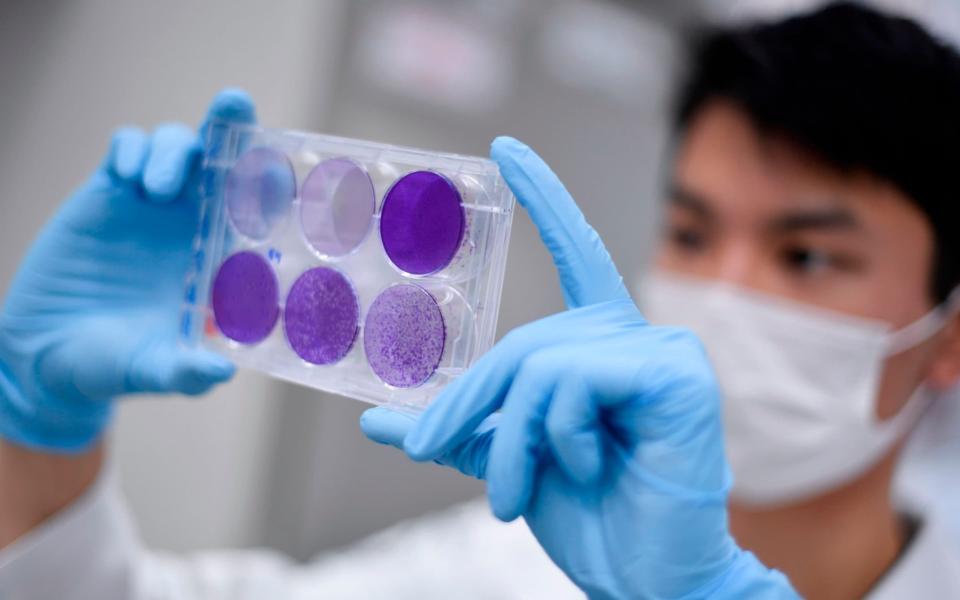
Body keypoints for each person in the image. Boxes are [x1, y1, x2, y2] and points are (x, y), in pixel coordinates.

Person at [0, 2, 956, 598]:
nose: (725, 292)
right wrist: (39, 430)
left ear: (950, 339)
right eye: (693, 235)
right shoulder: (513, 565)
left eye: (807, 255)